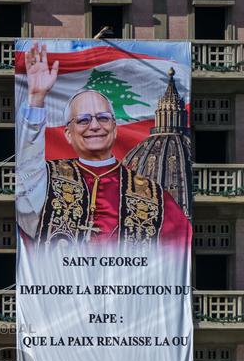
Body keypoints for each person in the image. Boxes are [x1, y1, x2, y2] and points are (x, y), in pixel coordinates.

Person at [16, 43, 192, 249]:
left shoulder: (156, 196)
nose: (95, 126)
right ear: (68, 134)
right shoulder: (46, 180)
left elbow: (179, 254)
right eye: (83, 120)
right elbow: (26, 171)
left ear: (115, 129)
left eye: (103, 118)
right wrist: (36, 99)